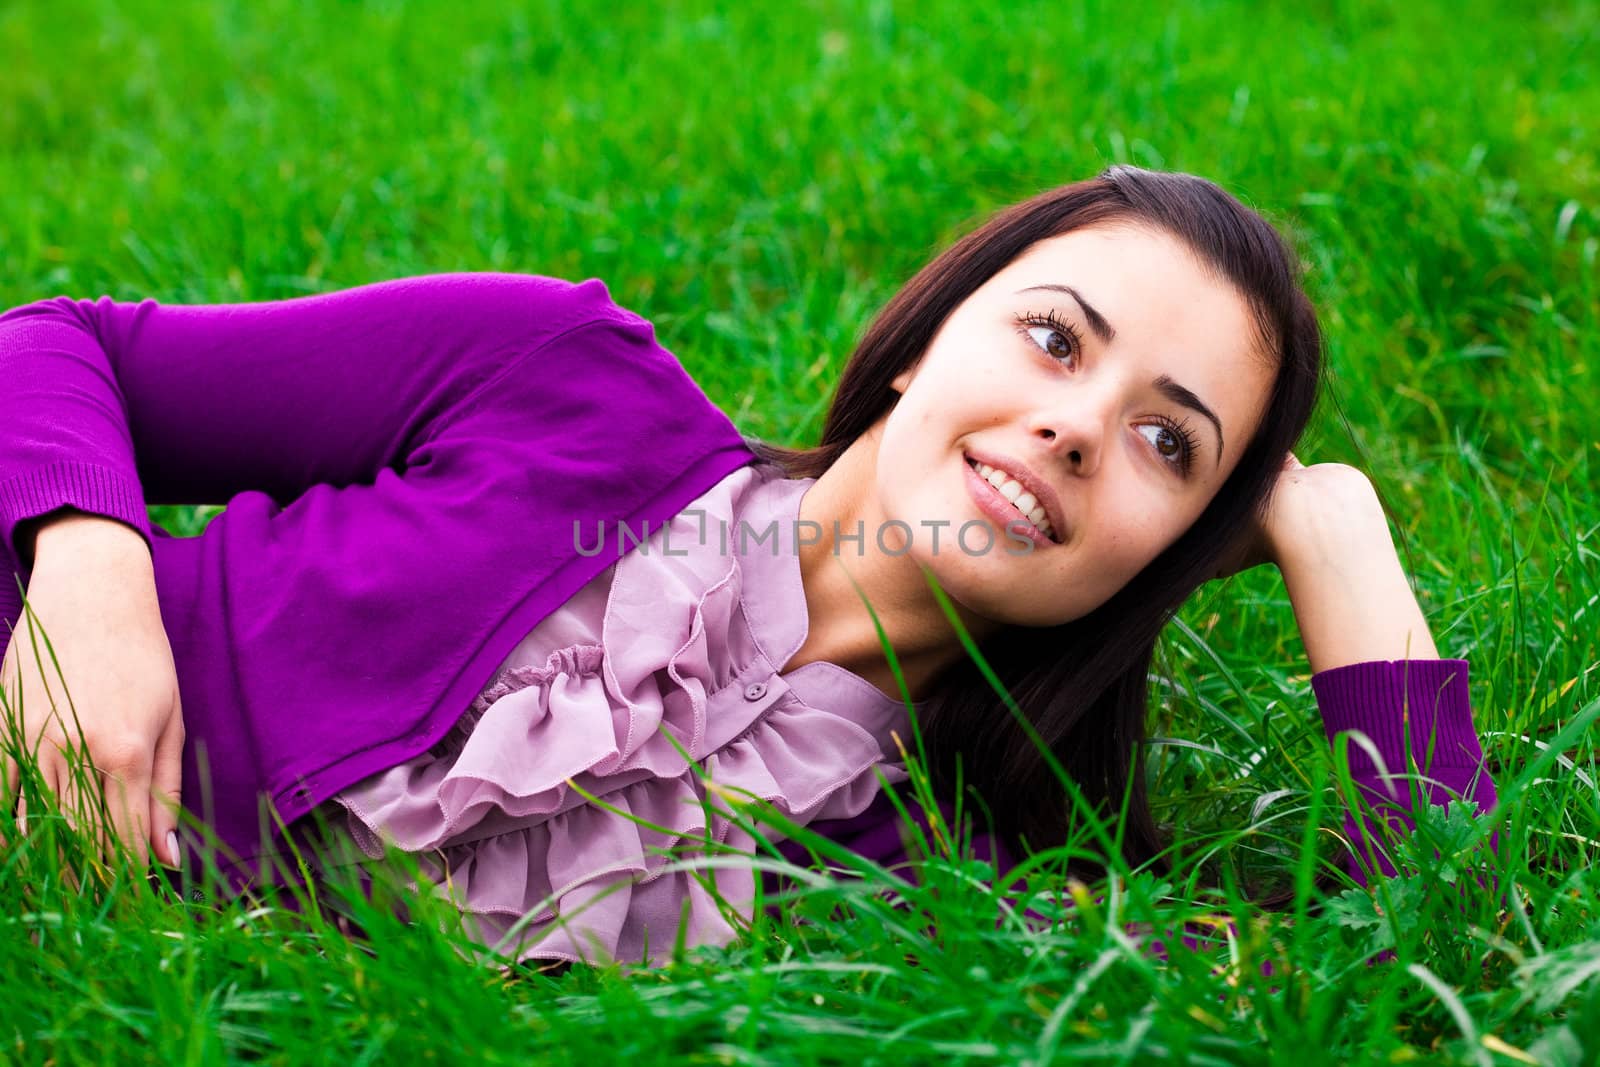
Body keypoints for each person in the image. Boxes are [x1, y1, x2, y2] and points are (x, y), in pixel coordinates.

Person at [0, 167, 1498, 968]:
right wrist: (88, 587)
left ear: (1171, 553)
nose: (1076, 427)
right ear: (922, 345)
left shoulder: (943, 891)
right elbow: (57, 351)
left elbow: (1412, 953)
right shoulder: (559, 380)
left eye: (1172, 447)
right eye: (1055, 338)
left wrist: (1334, 533)